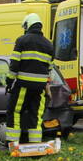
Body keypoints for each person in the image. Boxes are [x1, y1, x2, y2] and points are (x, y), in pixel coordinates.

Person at [6, 12, 54, 146]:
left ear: (28, 25)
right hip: (39, 88)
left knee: (14, 112)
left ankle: (12, 143)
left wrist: (9, 82)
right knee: (36, 116)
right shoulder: (49, 45)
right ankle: (35, 145)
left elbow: (14, 64)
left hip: (23, 86)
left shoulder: (22, 40)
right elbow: (49, 68)